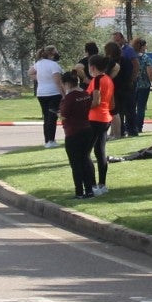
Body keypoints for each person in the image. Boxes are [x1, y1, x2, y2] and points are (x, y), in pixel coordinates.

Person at [58, 71, 98, 199]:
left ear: (67, 83)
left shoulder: (69, 98)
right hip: (87, 129)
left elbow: (63, 115)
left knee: (76, 163)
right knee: (85, 160)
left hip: (73, 132)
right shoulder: (85, 94)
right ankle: (90, 189)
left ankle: (79, 191)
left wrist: (58, 114)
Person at [85, 54, 116, 196]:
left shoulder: (97, 80)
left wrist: (83, 108)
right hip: (105, 117)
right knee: (100, 151)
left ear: (92, 67)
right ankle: (102, 184)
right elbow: (112, 103)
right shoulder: (109, 80)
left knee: (86, 153)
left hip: (95, 118)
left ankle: (92, 185)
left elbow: (96, 101)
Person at [29, 45, 65, 149]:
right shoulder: (54, 65)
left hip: (41, 93)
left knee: (46, 117)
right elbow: (58, 82)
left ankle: (47, 140)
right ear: (52, 53)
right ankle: (51, 140)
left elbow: (30, 72)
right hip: (53, 93)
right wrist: (64, 95)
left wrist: (40, 78)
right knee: (52, 117)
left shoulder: (38, 64)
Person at [105, 39, 133, 138]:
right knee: (127, 111)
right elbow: (130, 72)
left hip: (115, 88)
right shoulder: (125, 60)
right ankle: (129, 130)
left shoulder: (110, 62)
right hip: (126, 87)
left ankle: (117, 132)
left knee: (115, 111)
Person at [129, 37, 152, 138]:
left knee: (131, 107)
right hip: (144, 86)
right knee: (141, 107)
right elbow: (150, 73)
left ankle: (130, 126)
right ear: (142, 46)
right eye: (145, 45)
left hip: (133, 85)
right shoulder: (146, 58)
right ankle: (139, 127)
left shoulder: (132, 57)